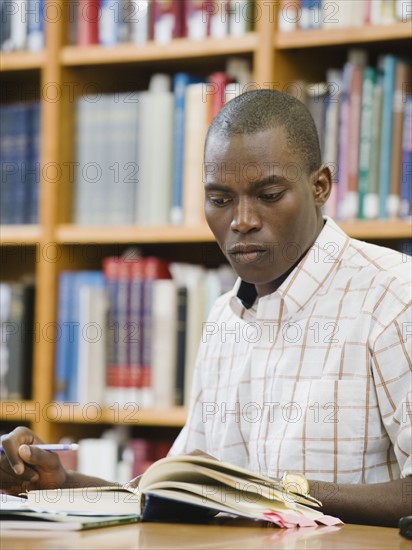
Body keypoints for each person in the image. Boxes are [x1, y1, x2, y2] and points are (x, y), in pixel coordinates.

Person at [1, 90, 411, 527]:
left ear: (320, 186)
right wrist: (59, 484)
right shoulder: (223, 316)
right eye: (219, 200)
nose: (242, 220)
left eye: (269, 194)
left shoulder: (394, 297)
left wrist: (276, 491)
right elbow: (182, 490)